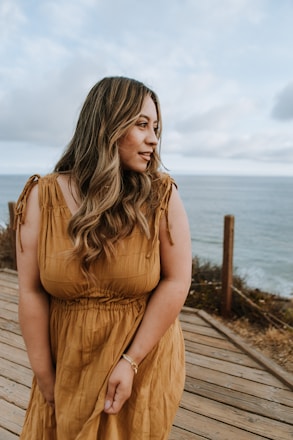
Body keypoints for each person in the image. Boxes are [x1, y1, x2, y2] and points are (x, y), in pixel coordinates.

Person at [15, 76, 192, 440]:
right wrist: (45, 374)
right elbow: (30, 291)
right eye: (141, 124)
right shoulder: (40, 196)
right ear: (106, 124)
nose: (154, 139)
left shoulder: (161, 195)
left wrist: (130, 362)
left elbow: (177, 280)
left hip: (142, 359)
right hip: (68, 361)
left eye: (156, 127)